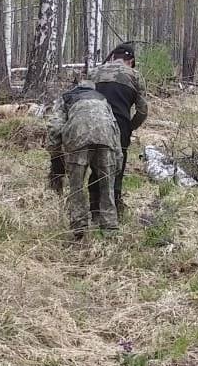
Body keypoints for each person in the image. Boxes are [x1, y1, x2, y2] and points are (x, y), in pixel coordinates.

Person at [46, 79, 121, 238]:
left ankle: (79, 229)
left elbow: (54, 126)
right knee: (107, 187)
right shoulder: (102, 100)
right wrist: (118, 158)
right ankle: (110, 230)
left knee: (77, 187)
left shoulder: (66, 98)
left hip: (77, 139)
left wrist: (54, 153)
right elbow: (115, 128)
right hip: (106, 139)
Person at [91, 42, 149, 218]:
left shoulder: (94, 72)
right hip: (120, 124)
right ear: (130, 61)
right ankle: (114, 205)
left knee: (95, 164)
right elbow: (142, 110)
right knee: (117, 167)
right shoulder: (134, 76)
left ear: (113, 57)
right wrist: (130, 128)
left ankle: (94, 208)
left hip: (93, 123)